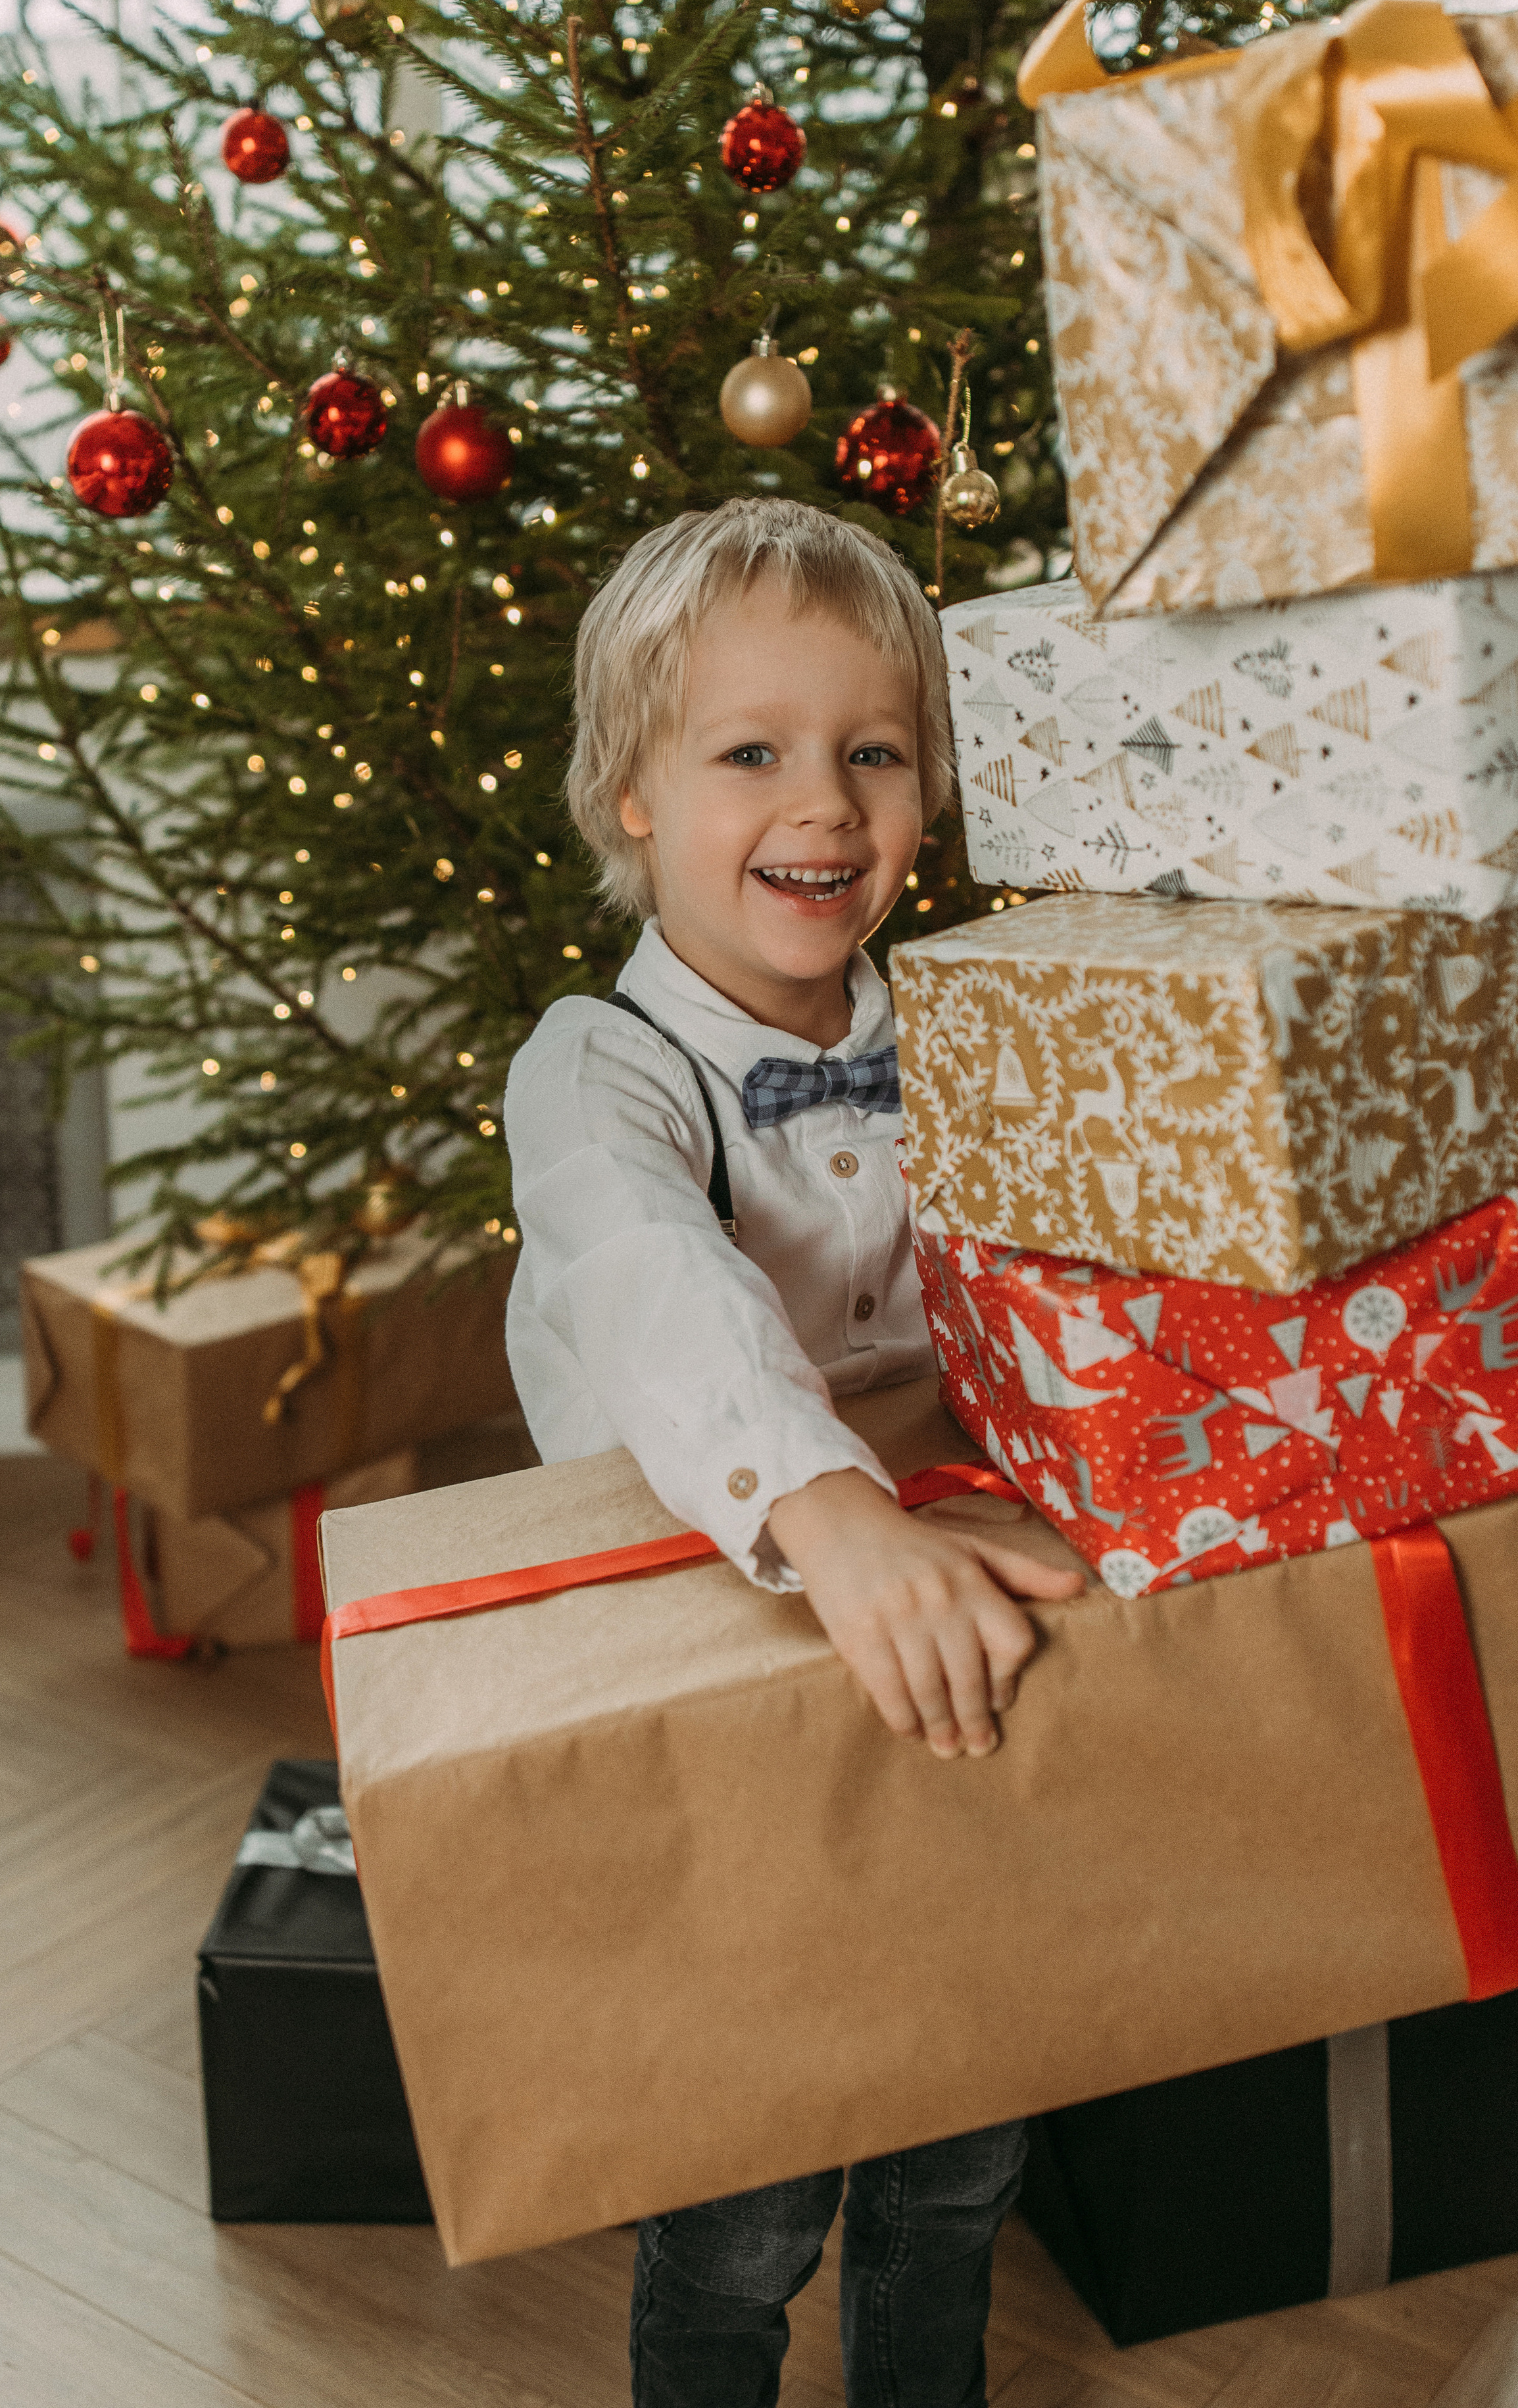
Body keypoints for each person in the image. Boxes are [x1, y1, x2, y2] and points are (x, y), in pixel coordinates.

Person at [502, 496, 1083, 2408]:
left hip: (943, 1640)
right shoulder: (598, 1070)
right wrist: (829, 1514)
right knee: (746, 2197)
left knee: (959, 2152)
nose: (823, 805)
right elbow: (657, 1282)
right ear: (633, 793)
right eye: (749, 753)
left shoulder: (964, 1034)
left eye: (874, 753)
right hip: (726, 1634)